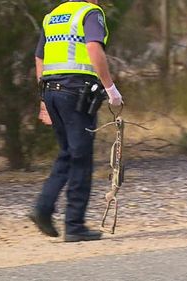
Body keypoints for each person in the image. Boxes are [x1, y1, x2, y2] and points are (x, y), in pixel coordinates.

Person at [29, 0, 123, 242]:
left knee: (67, 153)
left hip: (51, 90)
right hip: (75, 92)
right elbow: (93, 48)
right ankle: (74, 225)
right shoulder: (90, 12)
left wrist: (43, 99)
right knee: (80, 157)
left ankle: (43, 207)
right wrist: (111, 89)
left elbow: (40, 57)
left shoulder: (54, 15)